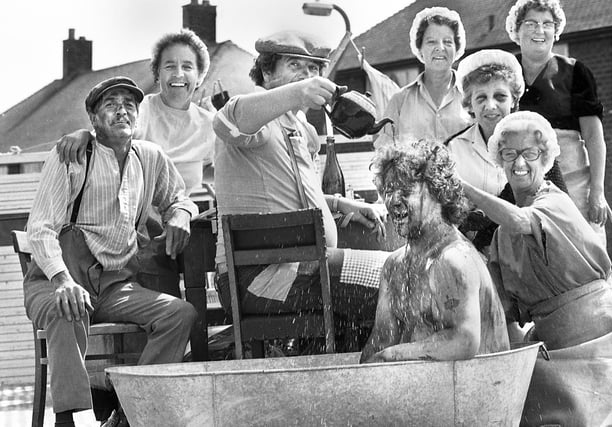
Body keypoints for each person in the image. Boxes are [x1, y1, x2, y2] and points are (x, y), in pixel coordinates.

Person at [24, 77, 199, 427]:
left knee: (180, 314)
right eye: (110, 104)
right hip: (55, 280)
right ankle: (68, 419)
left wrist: (181, 214)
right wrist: (61, 279)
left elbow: (179, 197)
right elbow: (40, 228)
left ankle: (128, 408)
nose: (122, 110)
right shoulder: (71, 156)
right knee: (66, 308)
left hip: (115, 286)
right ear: (93, 118)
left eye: (130, 104)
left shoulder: (150, 157)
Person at [212, 31, 392, 346]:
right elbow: (227, 120)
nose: (307, 76)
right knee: (398, 278)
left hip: (306, 269)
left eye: (313, 69)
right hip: (259, 281)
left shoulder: (304, 131)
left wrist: (340, 204)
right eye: (295, 65)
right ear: (266, 72)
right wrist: (300, 91)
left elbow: (286, 200)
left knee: (402, 274)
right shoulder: (252, 115)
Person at [462, 111, 612, 426]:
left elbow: (519, 221)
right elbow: (504, 311)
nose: (519, 162)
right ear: (499, 160)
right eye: (509, 154)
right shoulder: (501, 237)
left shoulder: (553, 202)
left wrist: (462, 188)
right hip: (555, 348)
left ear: (545, 159)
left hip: (602, 340)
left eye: (530, 153)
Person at [57, 29, 216, 298]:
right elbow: (106, 139)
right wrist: (83, 135)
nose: (178, 74)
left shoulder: (209, 125)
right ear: (157, 74)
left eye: (187, 66)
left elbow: (215, 172)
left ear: (200, 76)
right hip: (132, 238)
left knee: (207, 274)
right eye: (169, 66)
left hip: (179, 230)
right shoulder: (140, 112)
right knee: (166, 304)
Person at [360, 140, 509, 363]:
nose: (393, 201)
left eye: (406, 190)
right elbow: (382, 340)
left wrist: (393, 355)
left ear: (437, 191)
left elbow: (464, 341)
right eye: (388, 190)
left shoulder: (453, 259)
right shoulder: (395, 265)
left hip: (480, 387)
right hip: (435, 389)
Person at [506, 0, 612, 240]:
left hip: (571, 178)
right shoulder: (506, 72)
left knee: (582, 247)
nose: (539, 30)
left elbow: (594, 137)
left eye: (547, 24)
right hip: (517, 179)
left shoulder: (576, 72)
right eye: (531, 23)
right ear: (516, 29)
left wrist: (597, 191)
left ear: (557, 31)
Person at [447, 48, 566, 253]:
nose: (490, 106)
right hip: (468, 256)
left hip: (528, 256)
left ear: (514, 100)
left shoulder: (538, 143)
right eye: (481, 98)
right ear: (469, 104)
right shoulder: (452, 149)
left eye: (500, 96)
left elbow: (559, 208)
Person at [374, 6, 470, 149]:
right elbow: (384, 153)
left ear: (457, 48)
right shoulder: (399, 101)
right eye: (431, 42)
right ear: (419, 49)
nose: (440, 47)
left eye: (448, 41)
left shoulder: (472, 95)